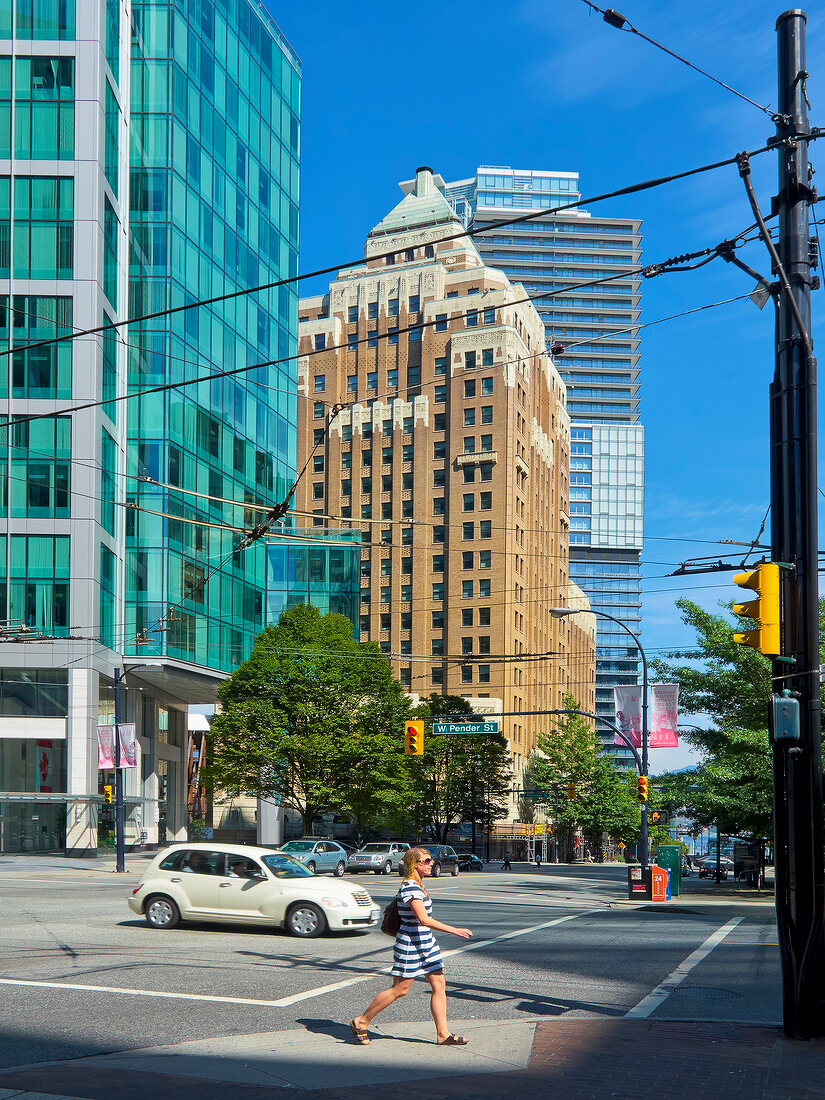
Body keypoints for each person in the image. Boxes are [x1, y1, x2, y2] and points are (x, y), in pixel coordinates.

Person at [350, 846, 472, 1047]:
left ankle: (443, 1034)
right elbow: (424, 919)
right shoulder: (410, 887)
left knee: (439, 984)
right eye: (426, 861)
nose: (431, 863)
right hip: (411, 946)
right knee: (400, 990)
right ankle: (361, 1021)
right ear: (413, 864)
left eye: (430, 860)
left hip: (427, 944)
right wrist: (454, 930)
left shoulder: (419, 885)